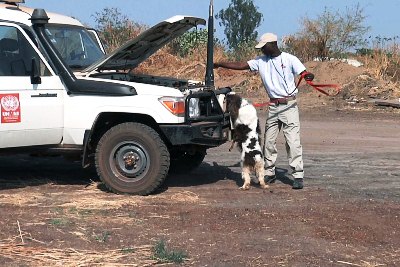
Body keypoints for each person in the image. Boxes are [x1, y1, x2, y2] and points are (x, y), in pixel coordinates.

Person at [214, 32, 314, 189]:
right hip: (273, 107)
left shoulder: (290, 59)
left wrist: (308, 76)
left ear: (273, 44)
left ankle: (298, 175)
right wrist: (220, 63)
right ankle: (269, 172)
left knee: (292, 142)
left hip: (289, 106)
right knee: (268, 142)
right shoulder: (260, 61)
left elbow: (304, 72)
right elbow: (241, 65)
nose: (262, 50)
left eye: (264, 47)